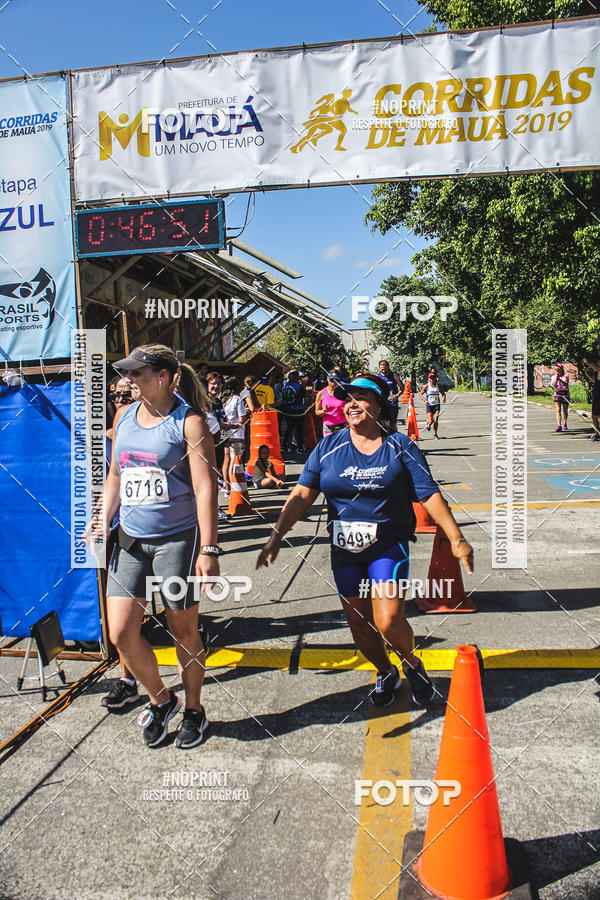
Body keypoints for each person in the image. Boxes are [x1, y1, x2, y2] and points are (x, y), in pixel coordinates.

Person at [257, 374, 473, 708]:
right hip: (345, 550)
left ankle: (412, 664)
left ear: (379, 406)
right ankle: (386, 671)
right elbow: (302, 494)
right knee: (359, 626)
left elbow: (428, 494)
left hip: (387, 545)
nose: (352, 405)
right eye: (348, 399)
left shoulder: (401, 446)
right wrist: (276, 536)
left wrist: (457, 539)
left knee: (387, 621)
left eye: (361, 398)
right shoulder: (328, 447)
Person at [86, 344, 218, 748]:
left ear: (163, 376)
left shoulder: (189, 422)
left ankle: (194, 710)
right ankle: (162, 699)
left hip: (176, 541)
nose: (128, 381)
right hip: (130, 540)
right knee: (122, 632)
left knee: (183, 629)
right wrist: (101, 519)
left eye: (137, 374)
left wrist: (208, 548)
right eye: (127, 374)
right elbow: (115, 474)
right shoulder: (124, 416)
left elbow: (204, 486)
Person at [101, 377, 140, 710]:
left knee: (178, 619)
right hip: (122, 530)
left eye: (126, 395)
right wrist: (101, 518)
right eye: (115, 395)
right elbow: (112, 475)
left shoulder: (161, 424)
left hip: (166, 533)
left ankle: (191, 704)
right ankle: (128, 680)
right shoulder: (110, 429)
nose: (120, 400)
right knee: (123, 622)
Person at [220, 376, 250, 494]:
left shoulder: (223, 399)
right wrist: (247, 414)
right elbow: (242, 419)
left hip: (225, 433)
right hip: (237, 433)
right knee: (235, 460)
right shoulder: (237, 399)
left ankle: (227, 486)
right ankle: (234, 486)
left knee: (226, 460)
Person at [279, 370, 306, 454]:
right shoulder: (298, 386)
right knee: (299, 429)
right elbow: (303, 395)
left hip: (286, 409)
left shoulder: (284, 385)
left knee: (289, 428)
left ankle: (284, 446)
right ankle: (300, 447)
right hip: (297, 410)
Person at [315, 370, 348, 437]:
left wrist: (346, 409)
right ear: (327, 378)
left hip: (343, 427)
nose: (333, 383)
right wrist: (323, 411)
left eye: (336, 380)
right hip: (328, 428)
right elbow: (317, 412)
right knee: (329, 447)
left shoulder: (344, 392)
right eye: (331, 380)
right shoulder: (321, 393)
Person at [419, 370, 446, 439]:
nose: (432, 379)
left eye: (433, 378)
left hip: (436, 405)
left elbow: (443, 393)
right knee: (431, 420)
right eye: (431, 378)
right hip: (429, 405)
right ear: (428, 379)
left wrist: (443, 398)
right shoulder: (426, 386)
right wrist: (425, 400)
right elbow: (420, 394)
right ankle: (428, 424)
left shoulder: (438, 386)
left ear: (435, 378)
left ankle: (435, 434)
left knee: (436, 419)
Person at [378, 360, 403, 427]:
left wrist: (397, 395)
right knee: (382, 424)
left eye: (385, 369)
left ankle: (394, 436)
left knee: (393, 423)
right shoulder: (378, 377)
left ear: (388, 367)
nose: (383, 371)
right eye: (382, 369)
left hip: (392, 403)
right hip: (382, 403)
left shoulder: (394, 375)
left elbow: (402, 388)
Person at [583, 358, 600, 440]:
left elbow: (598, 369)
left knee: (596, 415)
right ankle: (596, 434)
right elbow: (595, 381)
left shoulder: (598, 370)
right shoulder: (598, 373)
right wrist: (587, 374)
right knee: (594, 415)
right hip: (596, 396)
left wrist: (588, 362)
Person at [551, 363, 570, 431]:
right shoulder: (554, 376)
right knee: (558, 410)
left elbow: (566, 384)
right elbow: (553, 386)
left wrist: (560, 379)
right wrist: (556, 379)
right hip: (557, 394)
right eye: (556, 370)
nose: (557, 371)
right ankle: (559, 425)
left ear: (562, 370)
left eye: (558, 369)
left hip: (565, 394)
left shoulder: (565, 376)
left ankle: (565, 423)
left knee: (565, 410)